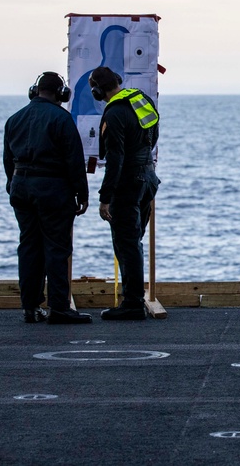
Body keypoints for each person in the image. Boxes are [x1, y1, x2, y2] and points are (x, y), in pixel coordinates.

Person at [4, 72, 92, 324]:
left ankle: (30, 308)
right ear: (60, 94)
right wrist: (82, 193)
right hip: (53, 189)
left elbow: (7, 161)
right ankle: (59, 308)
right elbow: (74, 161)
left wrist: (14, 185)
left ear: (35, 90)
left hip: (21, 187)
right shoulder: (62, 119)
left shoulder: (14, 119)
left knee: (29, 247)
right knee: (56, 248)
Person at [89, 66, 160, 321]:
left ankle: (132, 303)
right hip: (147, 177)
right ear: (118, 81)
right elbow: (154, 136)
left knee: (127, 244)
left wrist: (104, 198)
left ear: (97, 91)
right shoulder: (141, 98)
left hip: (128, 183)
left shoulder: (115, 113)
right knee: (134, 241)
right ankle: (133, 299)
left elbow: (115, 159)